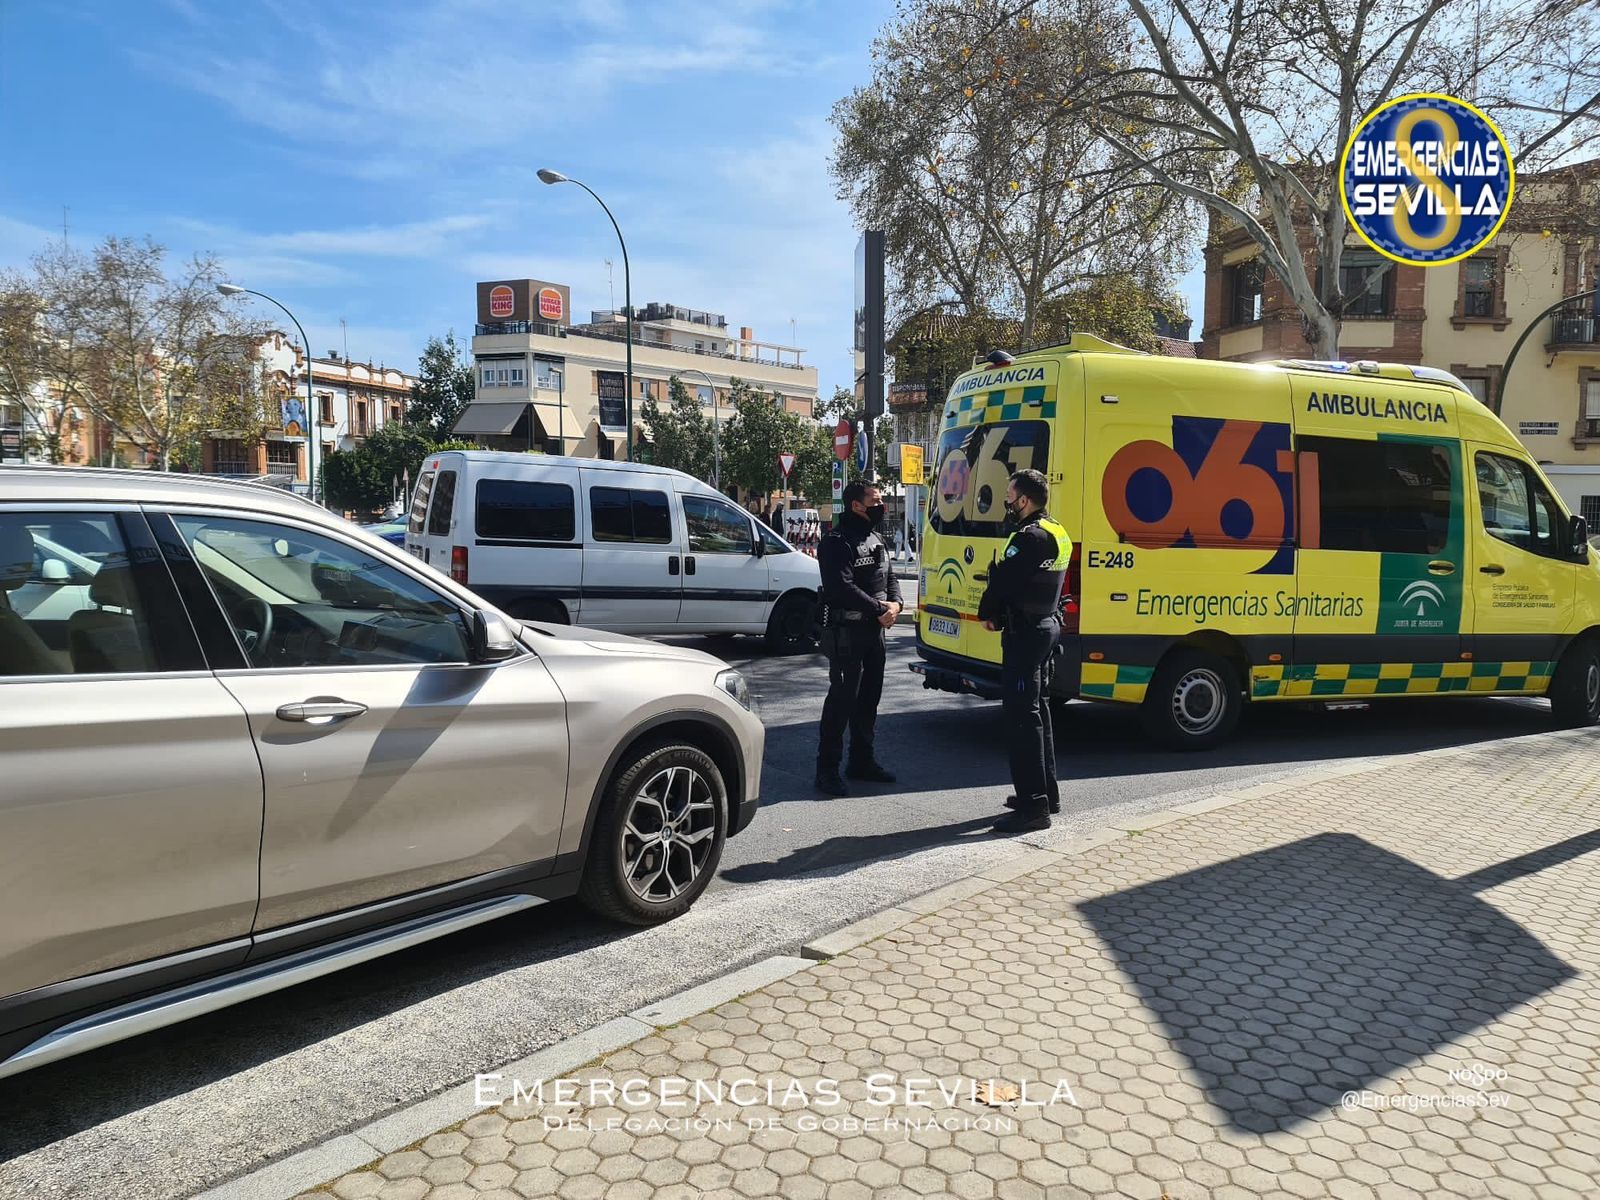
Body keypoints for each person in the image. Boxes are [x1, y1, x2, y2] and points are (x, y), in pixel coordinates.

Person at [978, 468, 1071, 833]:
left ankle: (1033, 807)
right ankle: (1046, 793)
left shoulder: (1029, 537)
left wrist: (987, 613)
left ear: (1024, 500)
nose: (1006, 501)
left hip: (1026, 634)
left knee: (1022, 719)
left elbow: (1004, 581)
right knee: (1039, 711)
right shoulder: (1057, 530)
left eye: (1010, 496)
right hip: (1046, 626)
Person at [814, 480, 902, 795]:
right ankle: (827, 770)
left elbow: (889, 576)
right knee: (841, 701)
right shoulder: (836, 542)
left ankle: (861, 761)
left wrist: (896, 604)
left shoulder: (876, 538)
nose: (882, 506)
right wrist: (880, 609)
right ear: (856, 505)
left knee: (868, 701)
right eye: (875, 501)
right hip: (847, 634)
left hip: (874, 633)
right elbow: (841, 587)